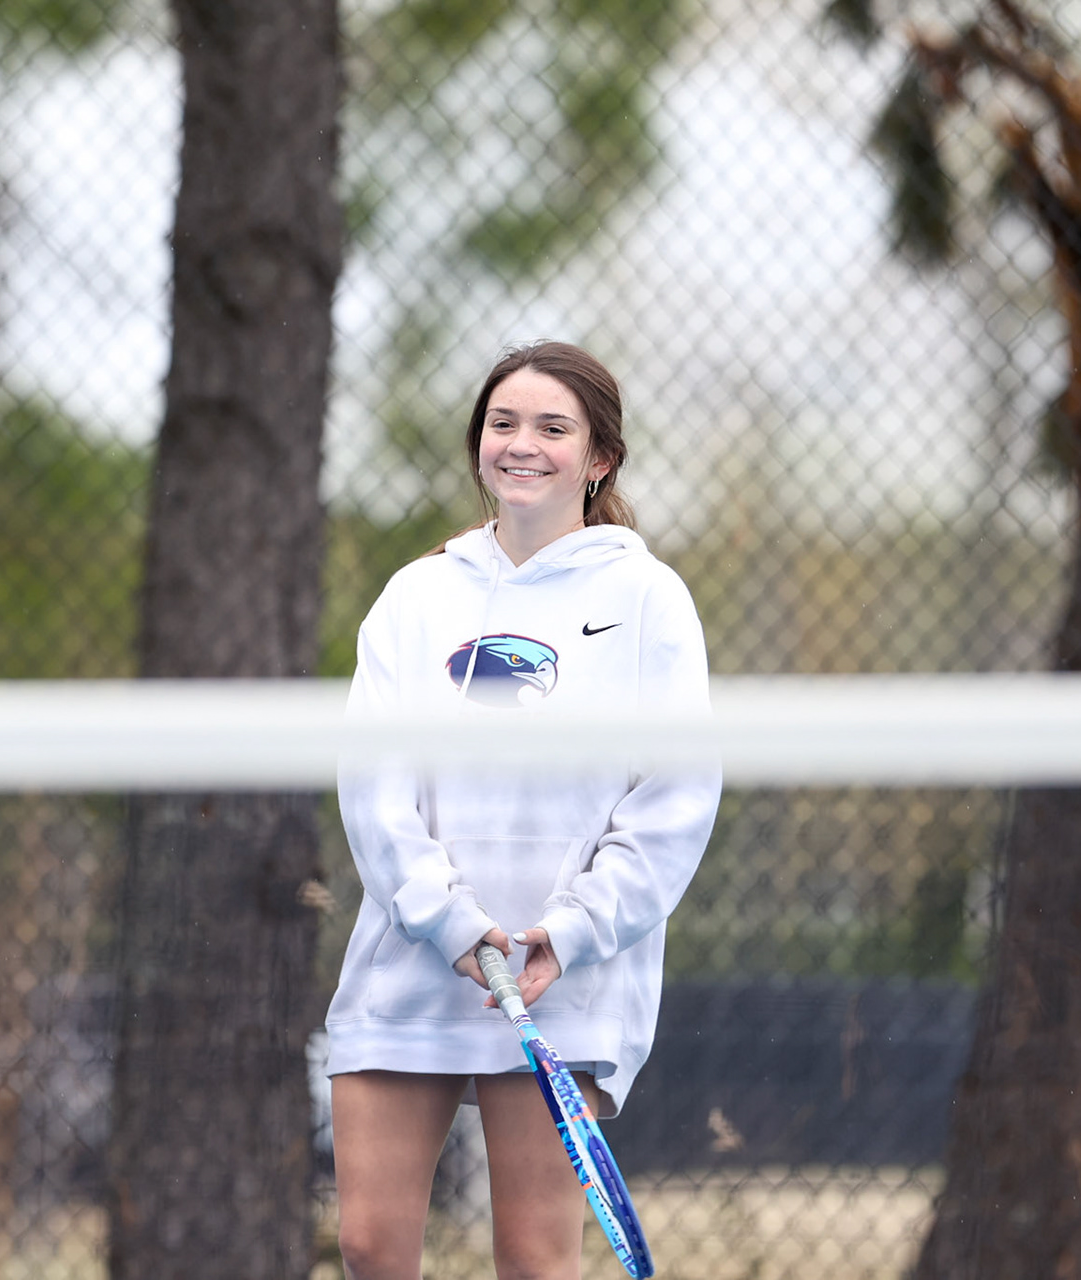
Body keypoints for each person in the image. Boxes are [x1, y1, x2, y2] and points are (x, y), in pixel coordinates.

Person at [325, 340, 720, 1279]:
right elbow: (372, 785)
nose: (522, 444)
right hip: (416, 966)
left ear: (599, 459)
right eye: (503, 423)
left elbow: (673, 799)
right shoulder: (416, 598)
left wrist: (568, 935)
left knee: (536, 1264)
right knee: (370, 1250)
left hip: (562, 985)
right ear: (478, 445)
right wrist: (449, 923)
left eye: (553, 427)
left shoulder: (649, 601)